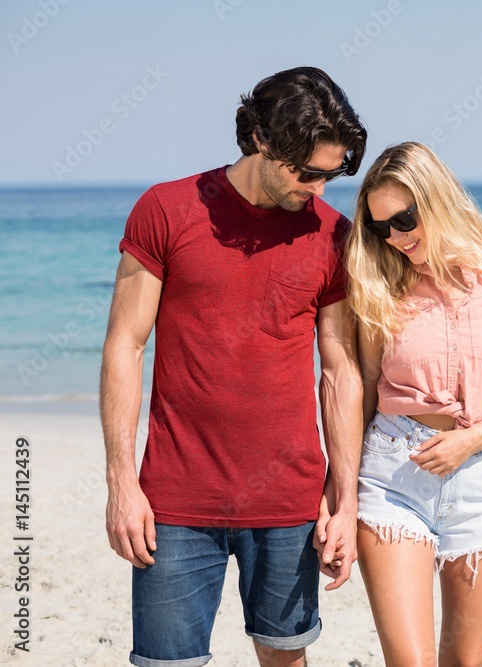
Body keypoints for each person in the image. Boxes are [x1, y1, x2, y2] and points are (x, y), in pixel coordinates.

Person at [100, 66, 366, 667]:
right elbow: (124, 345)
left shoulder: (333, 236)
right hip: (174, 499)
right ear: (262, 141)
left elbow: (340, 371)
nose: (319, 190)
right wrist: (121, 484)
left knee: (285, 656)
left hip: (290, 501)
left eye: (333, 175)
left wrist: (344, 500)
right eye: (308, 173)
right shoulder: (165, 209)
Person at [341, 142, 482, 666]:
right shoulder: (380, 288)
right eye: (380, 229)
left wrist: (472, 439)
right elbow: (365, 392)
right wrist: (339, 492)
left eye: (404, 219)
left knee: (466, 661)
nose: (395, 237)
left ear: (436, 199)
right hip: (394, 478)